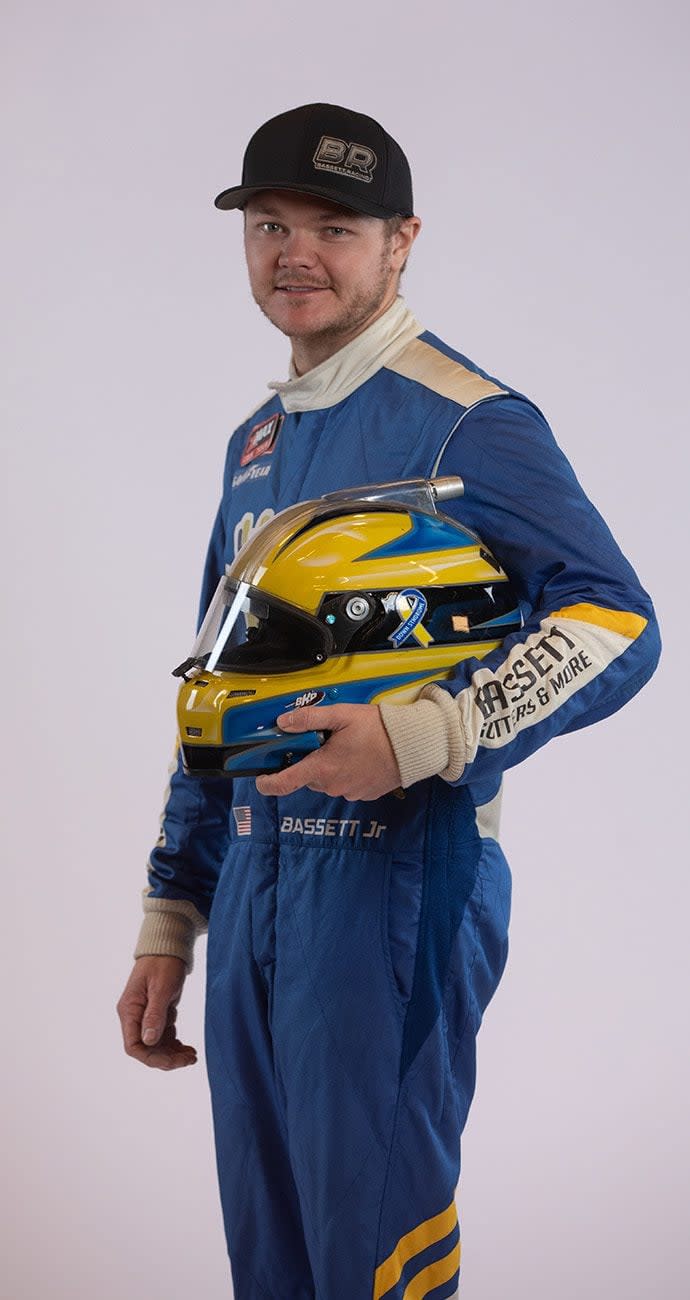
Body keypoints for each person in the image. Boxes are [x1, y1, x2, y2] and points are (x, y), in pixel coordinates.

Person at [117, 103, 660, 1300]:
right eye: (269, 224)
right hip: (257, 890)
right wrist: (173, 916)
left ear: (402, 239)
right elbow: (215, 693)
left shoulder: (470, 419)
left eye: (333, 226)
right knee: (272, 1258)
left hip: (397, 890)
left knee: (372, 1258)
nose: (293, 252)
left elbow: (617, 619)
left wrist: (431, 732)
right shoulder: (254, 444)